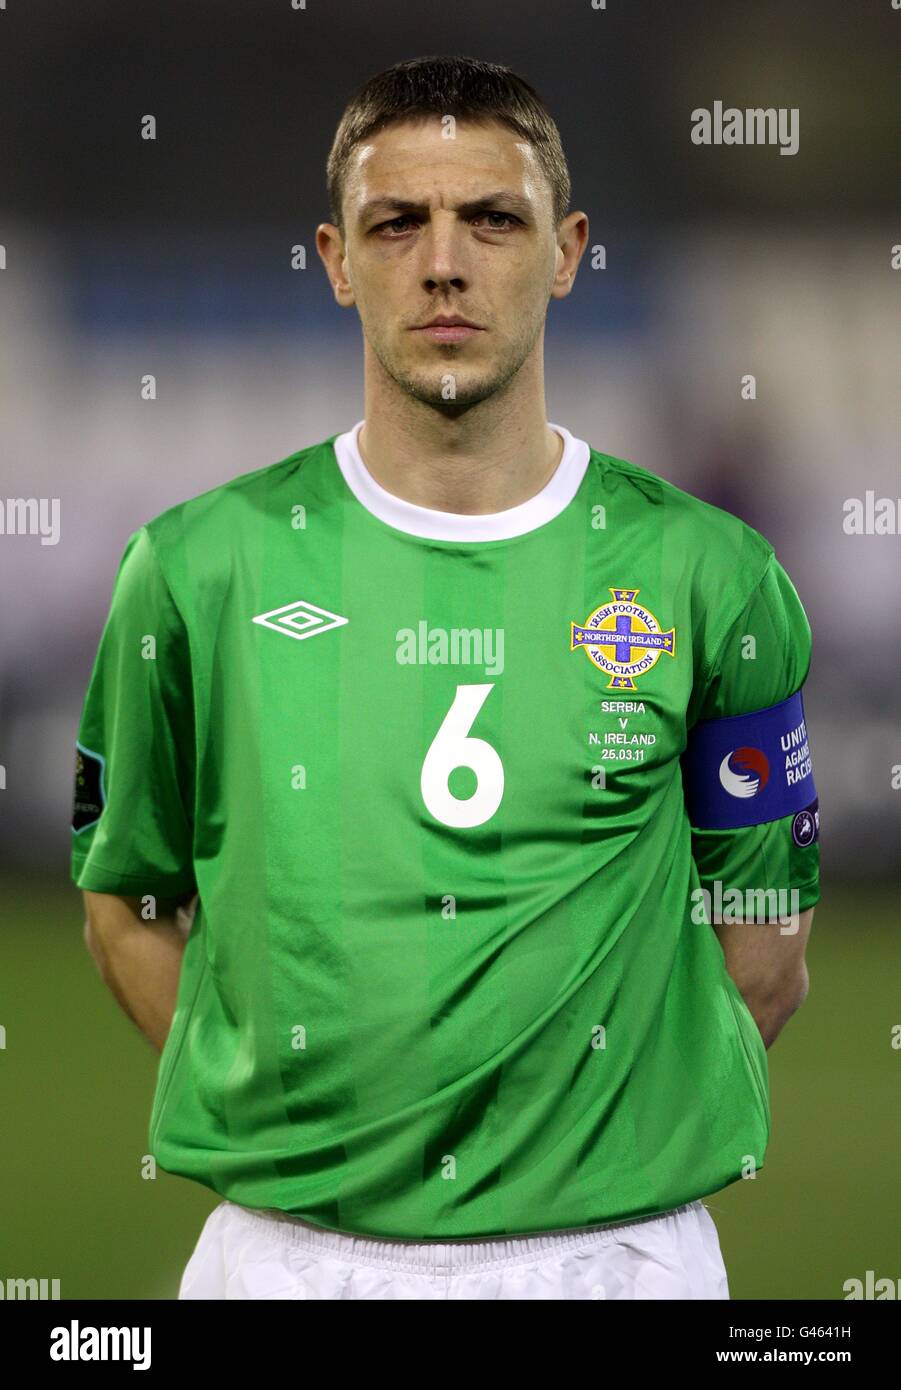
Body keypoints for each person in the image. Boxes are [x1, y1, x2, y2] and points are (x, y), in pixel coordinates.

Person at [72, 55, 820, 1301]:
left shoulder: (709, 574)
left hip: (618, 1261)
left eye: (492, 218)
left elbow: (766, 944)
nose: (443, 263)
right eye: (396, 222)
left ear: (569, 248)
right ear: (333, 256)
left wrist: (584, 1149)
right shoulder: (197, 568)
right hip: (287, 1260)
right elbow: (124, 900)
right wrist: (315, 1129)